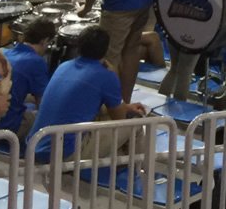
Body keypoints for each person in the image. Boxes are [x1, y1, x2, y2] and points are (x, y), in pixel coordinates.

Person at [30, 27, 147, 161]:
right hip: (65, 153)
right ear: (106, 49)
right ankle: (138, 173)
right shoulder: (106, 75)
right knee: (136, 124)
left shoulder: (64, 66)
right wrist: (114, 75)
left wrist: (126, 107)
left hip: (36, 145)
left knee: (101, 113)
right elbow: (119, 118)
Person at [0, 17, 56, 142]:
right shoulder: (36, 62)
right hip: (2, 129)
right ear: (45, 40)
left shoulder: (2, 53)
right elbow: (43, 104)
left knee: (27, 101)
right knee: (44, 119)